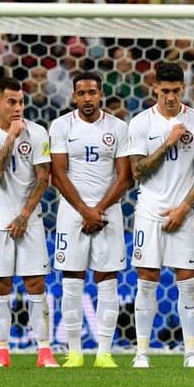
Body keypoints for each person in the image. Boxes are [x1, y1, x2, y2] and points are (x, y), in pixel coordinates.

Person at [127, 62, 194, 369]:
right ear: (155, 89)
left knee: (188, 282)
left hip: (187, 212)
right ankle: (142, 353)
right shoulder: (140, 123)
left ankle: (191, 353)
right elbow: (137, 171)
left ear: (184, 88)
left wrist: (185, 206)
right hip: (150, 211)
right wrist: (168, 141)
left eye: (175, 91)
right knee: (147, 281)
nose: (170, 97)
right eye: (164, 91)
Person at [0, 75, 57, 370]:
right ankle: (2, 352)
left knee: (36, 284)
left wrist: (24, 215)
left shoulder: (39, 132)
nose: (18, 107)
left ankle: (44, 352)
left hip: (29, 222)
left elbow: (44, 178)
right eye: (11, 102)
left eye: (21, 101)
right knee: (1, 285)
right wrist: (12, 137)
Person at [48, 71, 133, 368]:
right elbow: (57, 174)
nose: (87, 98)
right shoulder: (60, 126)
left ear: (101, 95)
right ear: (74, 97)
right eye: (82, 93)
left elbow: (125, 177)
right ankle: (74, 352)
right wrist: (85, 211)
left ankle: (104, 353)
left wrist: (98, 210)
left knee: (107, 282)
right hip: (72, 213)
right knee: (71, 282)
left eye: (92, 93)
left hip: (108, 211)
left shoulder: (119, 128)